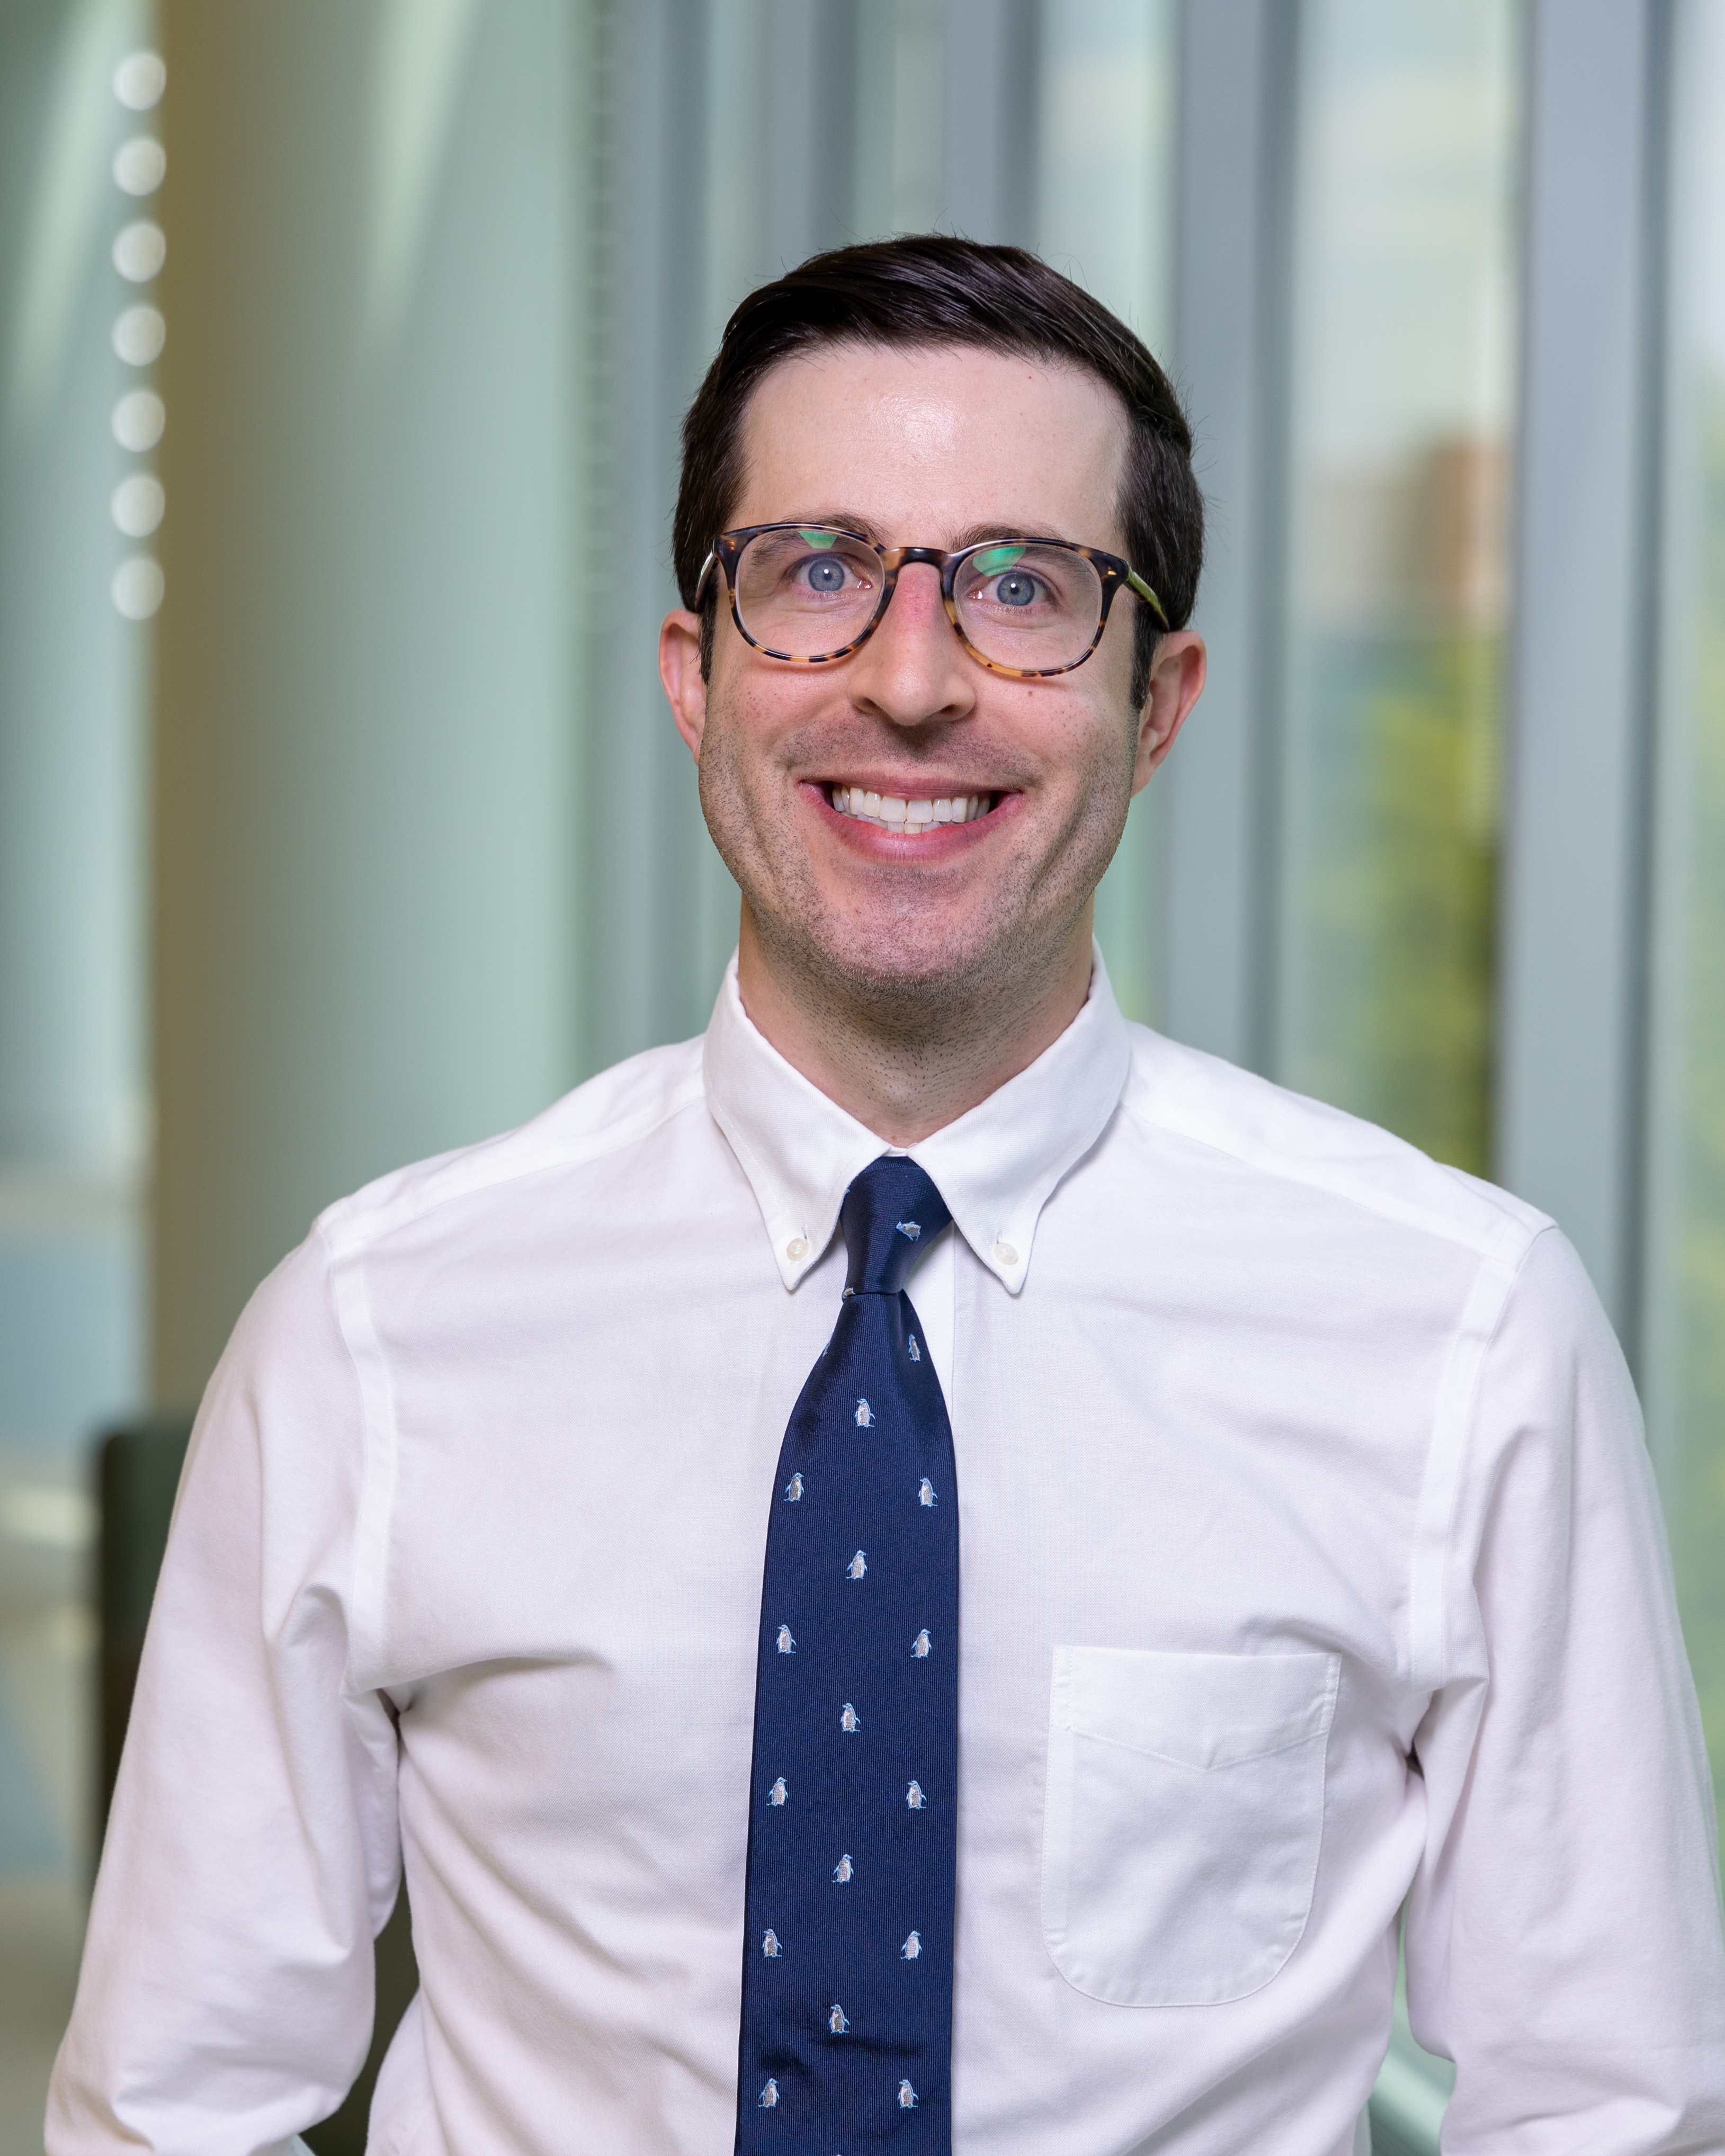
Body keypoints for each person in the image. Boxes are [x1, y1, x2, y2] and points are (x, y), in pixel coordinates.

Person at [49, 237, 1725, 2156]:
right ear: (696, 677)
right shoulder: (372, 1330)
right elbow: (171, 2110)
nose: (911, 681)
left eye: (1023, 588)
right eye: (817, 574)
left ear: (1158, 700)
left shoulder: (1457, 1330)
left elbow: (1609, 2111)